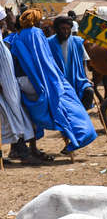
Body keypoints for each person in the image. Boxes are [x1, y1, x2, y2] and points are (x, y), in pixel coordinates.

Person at [9, 9, 96, 155]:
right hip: (38, 81)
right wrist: (53, 80)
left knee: (29, 114)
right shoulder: (36, 34)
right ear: (36, 21)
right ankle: (81, 135)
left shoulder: (17, 37)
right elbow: (44, 60)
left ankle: (29, 148)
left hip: (21, 81)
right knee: (64, 106)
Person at [0, 8, 40, 164]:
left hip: (9, 87)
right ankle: (23, 154)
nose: (5, 22)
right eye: (3, 20)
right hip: (4, 88)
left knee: (14, 118)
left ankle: (22, 152)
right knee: (10, 119)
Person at [47, 16, 94, 109]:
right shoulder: (49, 43)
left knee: (89, 91)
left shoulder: (77, 42)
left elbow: (83, 61)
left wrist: (86, 77)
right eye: (63, 29)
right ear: (57, 29)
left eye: (68, 29)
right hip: (58, 81)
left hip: (77, 79)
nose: (65, 31)